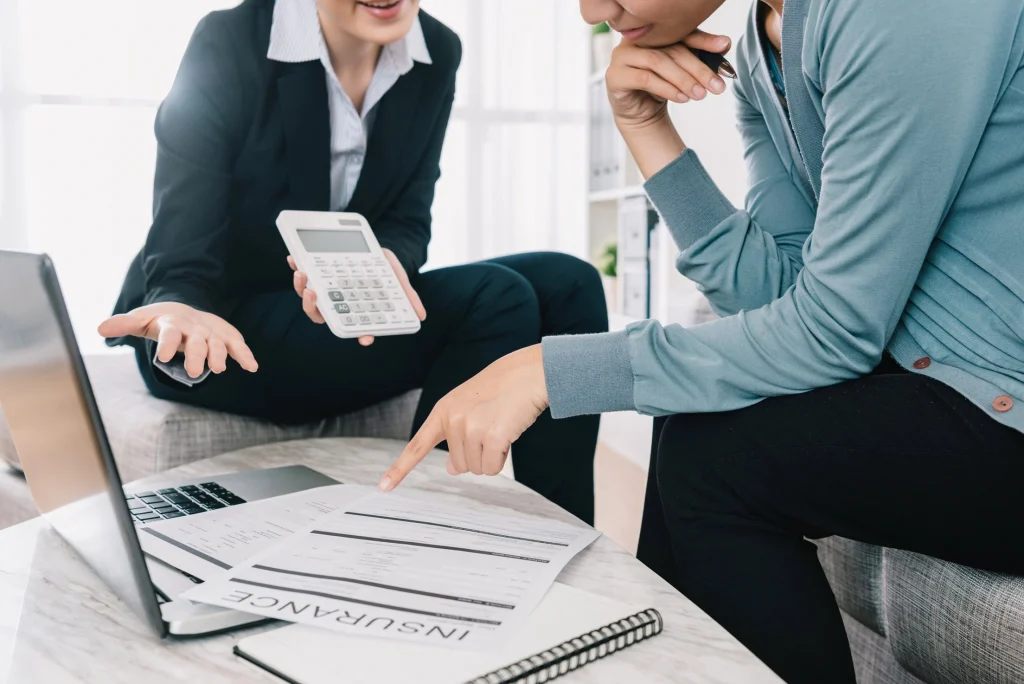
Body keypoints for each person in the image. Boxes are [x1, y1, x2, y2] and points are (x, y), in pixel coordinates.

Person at [377, 0, 1024, 681]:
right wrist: (646, 126)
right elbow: (778, 299)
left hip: (1003, 406)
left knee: (713, 458)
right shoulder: (764, 43)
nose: (593, 11)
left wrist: (555, 369)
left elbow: (833, 331)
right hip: (953, 393)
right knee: (693, 415)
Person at [98, 0, 607, 524]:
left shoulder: (436, 51)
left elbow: (408, 219)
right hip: (216, 321)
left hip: (336, 307)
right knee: (497, 298)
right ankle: (421, 537)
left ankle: (564, 536)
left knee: (571, 283)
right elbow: (183, 244)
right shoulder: (233, 38)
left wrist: (382, 261)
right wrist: (176, 307)